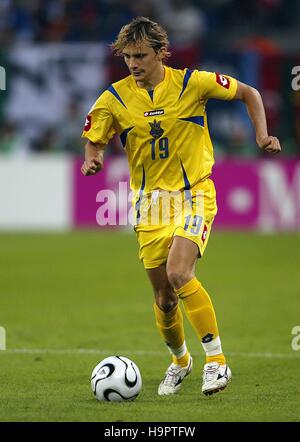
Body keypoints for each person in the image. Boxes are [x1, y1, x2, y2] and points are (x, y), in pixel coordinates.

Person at [81, 17, 281, 396]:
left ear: (161, 53)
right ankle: (180, 362)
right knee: (164, 297)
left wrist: (262, 134)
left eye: (141, 56)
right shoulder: (115, 98)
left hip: (194, 193)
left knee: (178, 272)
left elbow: (249, 93)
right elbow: (94, 136)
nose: (134, 64)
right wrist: (92, 158)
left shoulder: (192, 83)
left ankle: (217, 362)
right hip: (148, 206)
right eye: (127, 57)